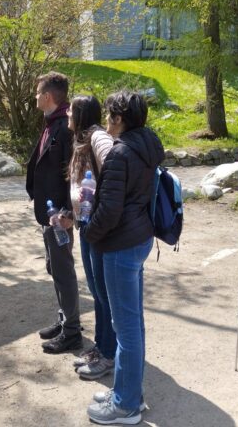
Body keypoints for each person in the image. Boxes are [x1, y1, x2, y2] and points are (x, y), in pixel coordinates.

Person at [82, 90, 164, 425]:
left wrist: (88, 234)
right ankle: (129, 391)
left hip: (120, 245)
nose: (105, 122)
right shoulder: (148, 144)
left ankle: (125, 405)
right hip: (139, 238)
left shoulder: (120, 153)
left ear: (118, 119)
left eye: (109, 116)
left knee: (125, 327)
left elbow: (111, 209)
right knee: (133, 324)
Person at [57, 95, 116, 380]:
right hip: (85, 223)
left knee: (104, 293)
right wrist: (73, 212)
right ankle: (102, 347)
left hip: (97, 227)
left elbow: (114, 168)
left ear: (80, 114)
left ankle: (108, 354)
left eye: (70, 110)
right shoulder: (82, 141)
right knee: (97, 291)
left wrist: (98, 215)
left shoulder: (98, 138)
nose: (66, 113)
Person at [25, 72, 81, 354]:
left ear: (48, 96)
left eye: (37, 93)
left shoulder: (65, 127)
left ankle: (71, 332)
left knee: (62, 269)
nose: (35, 97)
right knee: (54, 266)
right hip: (49, 213)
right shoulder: (53, 123)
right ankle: (65, 319)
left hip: (59, 214)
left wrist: (67, 212)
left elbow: (72, 174)